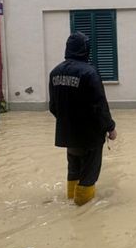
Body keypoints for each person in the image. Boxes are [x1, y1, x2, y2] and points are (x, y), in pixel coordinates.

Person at [49, 31, 117, 205]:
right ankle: (83, 212)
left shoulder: (55, 72)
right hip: (90, 135)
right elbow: (99, 105)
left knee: (74, 170)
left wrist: (67, 121)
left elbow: (53, 107)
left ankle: (71, 200)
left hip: (68, 134)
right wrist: (110, 127)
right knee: (89, 173)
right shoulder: (90, 73)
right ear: (85, 49)